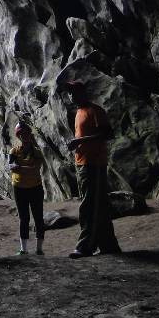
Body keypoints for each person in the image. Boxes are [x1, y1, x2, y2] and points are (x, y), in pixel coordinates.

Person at [60, 81, 121, 258]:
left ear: (83, 92)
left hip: (94, 164)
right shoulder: (79, 112)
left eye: (75, 92)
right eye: (70, 93)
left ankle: (85, 246)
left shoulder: (95, 111)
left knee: (89, 204)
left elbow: (108, 134)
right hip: (83, 163)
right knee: (98, 204)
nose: (72, 96)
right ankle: (108, 244)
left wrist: (80, 141)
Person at [9, 122, 45, 255]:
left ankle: (39, 249)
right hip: (19, 188)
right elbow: (10, 166)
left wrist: (19, 168)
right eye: (21, 134)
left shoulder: (37, 152)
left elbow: (35, 170)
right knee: (24, 218)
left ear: (29, 134)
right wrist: (23, 168)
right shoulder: (14, 151)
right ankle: (23, 249)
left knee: (38, 217)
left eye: (26, 133)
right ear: (19, 136)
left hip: (35, 187)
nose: (24, 135)